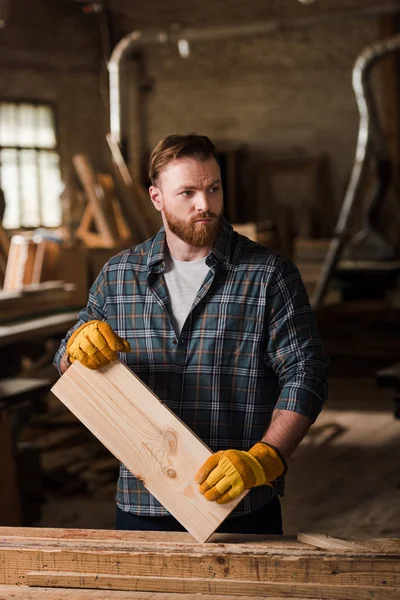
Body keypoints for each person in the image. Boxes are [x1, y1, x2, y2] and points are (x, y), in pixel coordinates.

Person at [54, 133, 328, 534]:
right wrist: (74, 349)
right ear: (156, 197)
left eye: (213, 189)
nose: (205, 204)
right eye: (187, 193)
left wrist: (265, 458)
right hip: (142, 502)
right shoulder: (118, 275)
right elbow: (65, 362)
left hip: (239, 503)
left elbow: (307, 374)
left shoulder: (269, 275)